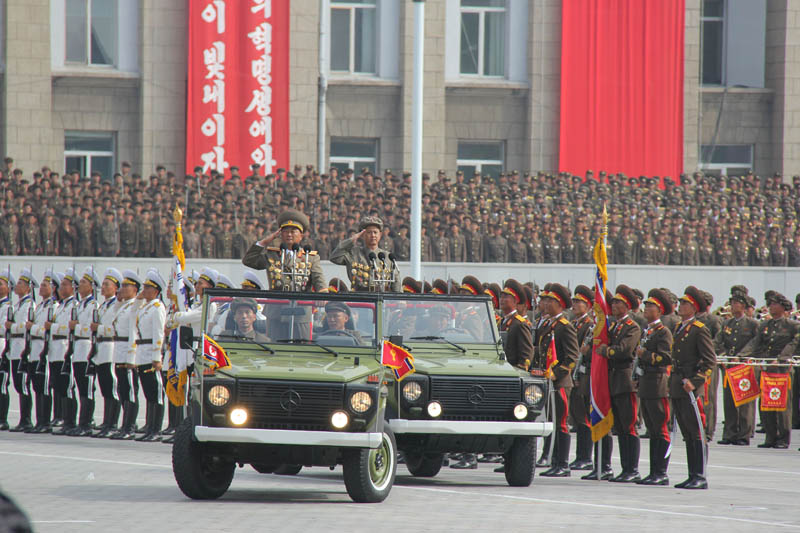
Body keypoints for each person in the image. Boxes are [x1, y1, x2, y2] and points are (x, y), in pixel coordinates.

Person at [738, 291, 799, 449]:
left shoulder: (792, 326)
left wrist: (783, 357)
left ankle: (783, 438)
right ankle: (770, 436)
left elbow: (793, 343)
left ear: (782, 306)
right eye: (770, 304)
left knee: (782, 404)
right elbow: (755, 343)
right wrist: (742, 355)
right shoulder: (765, 325)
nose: (770, 307)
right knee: (766, 403)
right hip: (767, 368)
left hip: (782, 370)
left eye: (774, 304)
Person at [670, 286, 716, 489]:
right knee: (687, 433)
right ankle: (692, 474)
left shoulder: (699, 329)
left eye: (685, 304)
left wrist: (696, 381)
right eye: (680, 303)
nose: (681, 306)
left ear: (694, 307)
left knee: (697, 431)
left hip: (690, 387)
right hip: (678, 384)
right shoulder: (679, 327)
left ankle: (700, 475)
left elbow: (709, 361)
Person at [596, 284, 642, 482]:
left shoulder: (632, 327)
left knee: (628, 425)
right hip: (613, 380)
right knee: (620, 428)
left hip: (624, 380)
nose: (613, 305)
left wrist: (606, 351)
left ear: (627, 306)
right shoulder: (613, 325)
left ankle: (632, 469)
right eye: (613, 302)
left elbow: (624, 350)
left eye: (618, 302)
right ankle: (624, 468)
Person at [536, 283, 579, 478]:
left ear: (560, 304)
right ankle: (554, 461)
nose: (546, 304)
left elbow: (571, 358)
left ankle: (563, 464)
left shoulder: (564, 327)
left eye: (551, 301)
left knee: (561, 423)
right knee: (551, 422)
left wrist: (556, 373)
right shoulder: (546, 323)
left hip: (560, 383)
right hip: (548, 381)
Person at [635, 289, 674, 486]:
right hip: (646, 382)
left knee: (660, 429)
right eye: (646, 306)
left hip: (657, 382)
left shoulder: (663, 332)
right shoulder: (647, 330)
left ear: (659, 311)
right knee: (652, 429)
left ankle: (661, 472)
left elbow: (666, 357)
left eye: (650, 307)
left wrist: (645, 355)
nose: (646, 309)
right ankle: (653, 471)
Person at [242, 208, 325, 292]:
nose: (289, 234)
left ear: (301, 236)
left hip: (301, 303)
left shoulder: (311, 257)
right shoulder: (272, 255)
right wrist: (264, 242)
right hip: (277, 302)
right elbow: (248, 260)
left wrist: (323, 295)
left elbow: (319, 280)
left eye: (293, 232)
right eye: (285, 231)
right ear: (280, 234)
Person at [714, 289, 758, 446]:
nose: (733, 306)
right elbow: (718, 341)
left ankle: (743, 435)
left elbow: (755, 342)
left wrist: (742, 355)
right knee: (729, 401)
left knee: (744, 402)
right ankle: (730, 433)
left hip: (743, 365)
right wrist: (722, 354)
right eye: (732, 303)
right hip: (730, 365)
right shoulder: (727, 323)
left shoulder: (752, 324)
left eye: (736, 303)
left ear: (744, 306)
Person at [109, 270, 144, 441]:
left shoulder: (134, 307)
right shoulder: (123, 305)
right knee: (123, 390)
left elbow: (133, 333)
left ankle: (129, 425)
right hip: (119, 351)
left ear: (135, 289)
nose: (121, 289)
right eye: (121, 286)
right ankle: (125, 424)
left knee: (130, 391)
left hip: (129, 353)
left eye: (125, 286)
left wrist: (132, 357)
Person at [89, 268, 124, 438]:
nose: (103, 287)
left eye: (107, 284)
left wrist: (99, 328)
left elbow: (115, 329)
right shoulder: (103, 306)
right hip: (100, 349)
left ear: (115, 288)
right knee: (104, 388)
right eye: (103, 284)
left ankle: (113, 423)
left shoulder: (117, 306)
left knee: (112, 388)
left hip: (110, 348)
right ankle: (106, 421)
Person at [134, 269, 167, 442]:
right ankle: (149, 426)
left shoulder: (157, 308)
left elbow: (158, 334)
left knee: (156, 392)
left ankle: (156, 429)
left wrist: (157, 357)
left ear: (156, 291)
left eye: (147, 288)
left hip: (151, 354)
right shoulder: (144, 307)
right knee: (148, 392)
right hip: (142, 353)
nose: (144, 290)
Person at [66, 267, 100, 436]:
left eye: (83, 282)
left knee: (87, 388)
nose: (79, 285)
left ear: (91, 287)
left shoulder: (94, 305)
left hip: (87, 347)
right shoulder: (79, 305)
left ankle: (86, 422)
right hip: (78, 349)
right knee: (79, 387)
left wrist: (76, 327)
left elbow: (90, 329)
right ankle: (81, 421)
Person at [330, 216, 399, 292]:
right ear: (362, 235)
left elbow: (396, 282)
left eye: (375, 232)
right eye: (369, 232)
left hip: (383, 299)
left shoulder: (387, 257)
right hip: (360, 299)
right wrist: (352, 240)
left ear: (380, 235)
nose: (373, 235)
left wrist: (399, 301)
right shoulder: (354, 253)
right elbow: (334, 257)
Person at [26, 269, 58, 432]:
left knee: (44, 387)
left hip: (44, 350)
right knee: (37, 386)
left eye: (45, 285)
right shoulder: (40, 306)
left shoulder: (54, 307)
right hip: (34, 349)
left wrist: (33, 329)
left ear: (53, 288)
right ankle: (39, 420)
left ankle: (45, 421)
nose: (41, 288)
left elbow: (48, 330)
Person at [47, 268, 79, 435]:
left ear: (73, 287)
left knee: (67, 386)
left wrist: (52, 327)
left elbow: (68, 328)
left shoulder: (74, 305)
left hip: (65, 348)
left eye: (65, 285)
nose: (61, 288)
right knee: (58, 385)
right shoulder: (60, 306)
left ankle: (70, 420)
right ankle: (62, 417)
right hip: (55, 349)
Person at [568, 284, 595, 471]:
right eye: (574, 301)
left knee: (584, 417)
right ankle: (580, 456)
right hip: (574, 374)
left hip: (584, 376)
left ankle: (585, 456)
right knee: (577, 417)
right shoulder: (575, 324)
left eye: (579, 302)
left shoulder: (589, 326)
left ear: (588, 306)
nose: (575, 305)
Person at [6, 268, 36, 432]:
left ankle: (26, 419)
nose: (16, 286)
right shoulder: (18, 304)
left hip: (23, 347)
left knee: (23, 385)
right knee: (18, 384)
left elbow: (26, 326)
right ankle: (23, 418)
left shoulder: (29, 304)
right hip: (15, 348)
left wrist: (12, 326)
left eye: (20, 283)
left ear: (28, 287)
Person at [0, 268, 13, 430]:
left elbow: (4, 327)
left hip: (2, 345)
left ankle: (3, 417)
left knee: (2, 384)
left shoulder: (8, 306)